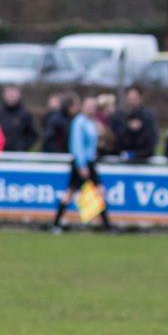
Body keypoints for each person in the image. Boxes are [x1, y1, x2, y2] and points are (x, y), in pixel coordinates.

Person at [52, 94, 113, 233]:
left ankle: (107, 226)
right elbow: (77, 145)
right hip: (82, 163)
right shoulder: (79, 122)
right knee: (71, 192)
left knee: (99, 191)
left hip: (90, 161)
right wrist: (81, 165)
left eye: (93, 107)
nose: (91, 110)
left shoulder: (91, 122)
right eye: (89, 107)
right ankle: (56, 223)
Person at [113, 85, 157, 162]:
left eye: (134, 98)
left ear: (140, 98)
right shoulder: (120, 116)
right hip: (123, 157)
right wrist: (128, 127)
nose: (132, 101)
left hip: (144, 158)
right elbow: (116, 135)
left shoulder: (148, 116)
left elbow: (152, 137)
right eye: (130, 98)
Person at [0, 85, 39, 152]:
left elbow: (33, 135)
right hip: (0, 155)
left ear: (18, 94)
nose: (11, 95)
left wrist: (22, 147)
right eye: (9, 92)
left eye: (13, 92)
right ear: (4, 95)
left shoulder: (25, 114)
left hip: (19, 156)